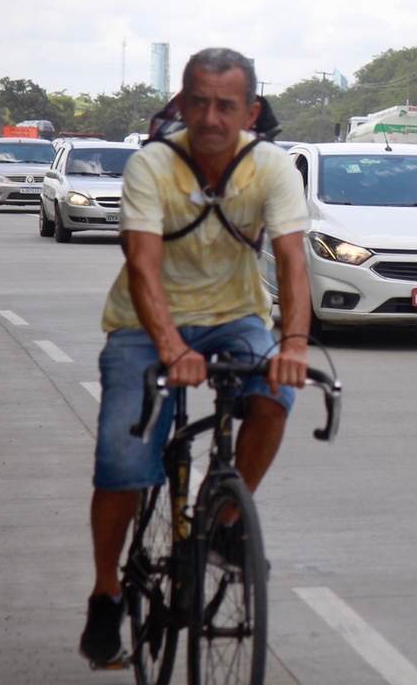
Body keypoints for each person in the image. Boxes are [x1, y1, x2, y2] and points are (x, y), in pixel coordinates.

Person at [79, 48, 312, 669]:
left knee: (276, 394)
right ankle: (106, 595)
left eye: (226, 105)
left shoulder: (272, 167)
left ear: (250, 111)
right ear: (181, 105)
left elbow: (291, 257)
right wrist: (171, 346)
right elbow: (142, 263)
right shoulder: (152, 165)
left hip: (235, 316)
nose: (211, 117)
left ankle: (226, 519)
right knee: (125, 460)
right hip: (143, 322)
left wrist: (292, 342)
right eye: (199, 103)